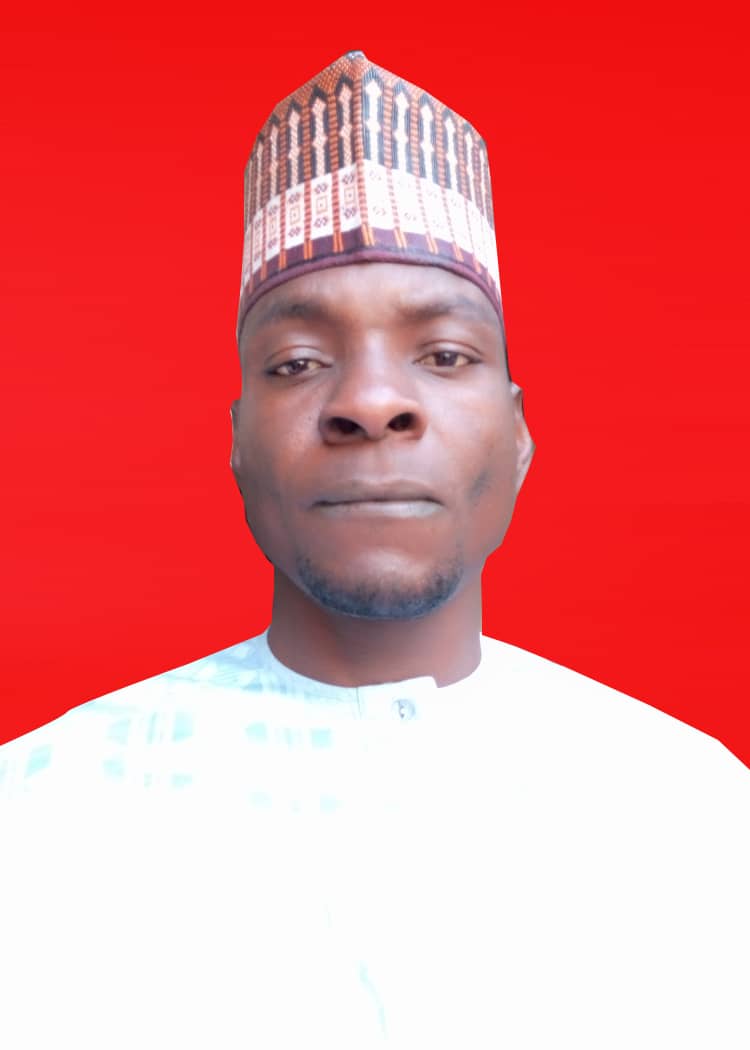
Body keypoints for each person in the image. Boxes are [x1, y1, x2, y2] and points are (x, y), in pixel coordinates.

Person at [1, 51, 747, 1049]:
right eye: (298, 362)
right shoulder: (38, 818)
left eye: (444, 354)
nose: (371, 402)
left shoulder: (697, 815)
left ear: (519, 435)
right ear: (237, 443)